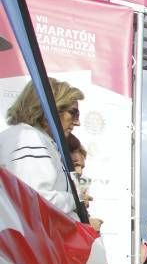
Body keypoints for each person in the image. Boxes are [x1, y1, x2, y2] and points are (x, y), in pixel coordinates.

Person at [0, 78, 101, 231]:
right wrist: (76, 199)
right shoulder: (29, 139)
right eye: (74, 113)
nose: (77, 122)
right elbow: (36, 201)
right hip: (30, 248)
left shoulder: (30, 137)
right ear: (51, 109)